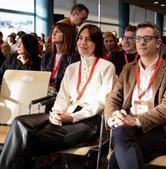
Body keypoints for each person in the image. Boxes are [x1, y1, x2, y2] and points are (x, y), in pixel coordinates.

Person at [0, 24, 116, 169]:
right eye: (80, 38)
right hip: (65, 114)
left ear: (97, 43)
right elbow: (62, 96)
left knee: (26, 139)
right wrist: (56, 113)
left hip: (89, 122)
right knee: (19, 122)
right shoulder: (72, 68)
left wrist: (72, 117)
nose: (83, 43)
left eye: (88, 39)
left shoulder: (107, 67)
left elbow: (101, 103)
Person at [104, 22, 166, 169]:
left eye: (147, 38)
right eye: (138, 38)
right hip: (128, 127)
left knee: (116, 159)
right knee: (120, 132)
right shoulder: (128, 69)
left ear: (158, 42)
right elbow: (113, 98)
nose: (141, 42)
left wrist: (135, 121)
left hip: (159, 129)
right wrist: (113, 117)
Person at [41, 22, 80, 93]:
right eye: (53, 31)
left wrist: (56, 85)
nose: (53, 34)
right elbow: (42, 75)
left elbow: (72, 81)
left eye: (57, 31)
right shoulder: (46, 55)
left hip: (63, 94)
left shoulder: (74, 57)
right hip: (46, 92)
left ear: (66, 35)